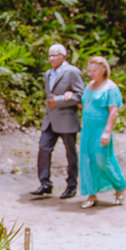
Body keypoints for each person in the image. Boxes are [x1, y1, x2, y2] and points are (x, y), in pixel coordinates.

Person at [30, 43, 83, 199]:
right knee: (43, 149)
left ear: (64, 56)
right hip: (50, 119)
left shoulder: (72, 72)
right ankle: (45, 183)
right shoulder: (48, 74)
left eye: (55, 55)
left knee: (70, 154)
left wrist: (59, 101)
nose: (52, 59)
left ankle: (71, 185)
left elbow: (81, 95)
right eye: (50, 56)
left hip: (67, 119)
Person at [78, 56, 126, 208]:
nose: (91, 74)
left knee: (102, 159)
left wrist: (107, 132)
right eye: (90, 70)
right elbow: (85, 104)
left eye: (95, 71)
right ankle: (91, 194)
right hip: (87, 130)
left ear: (103, 70)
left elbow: (113, 111)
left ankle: (119, 186)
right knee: (87, 160)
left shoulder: (110, 87)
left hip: (101, 129)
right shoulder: (89, 85)